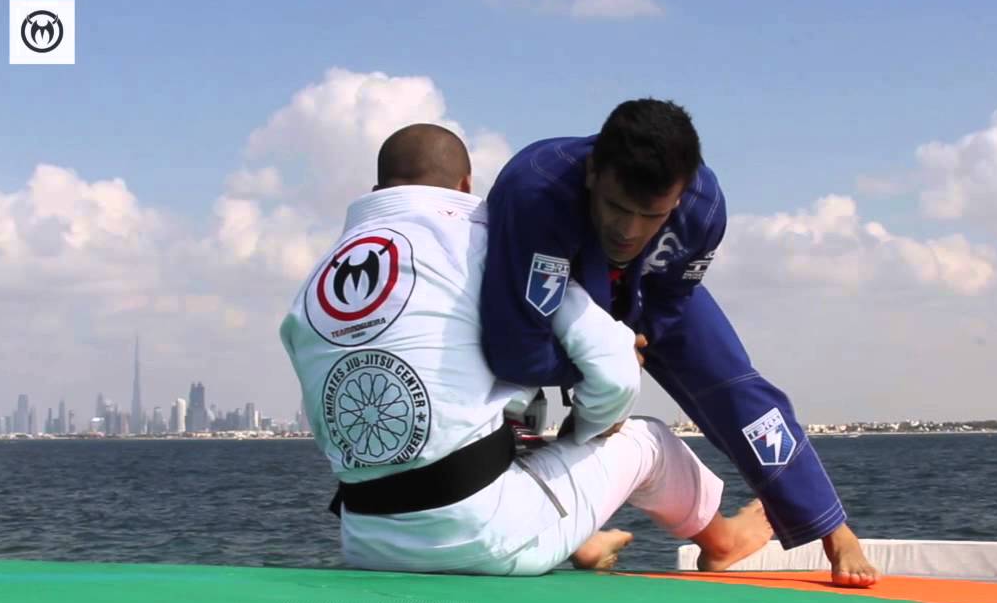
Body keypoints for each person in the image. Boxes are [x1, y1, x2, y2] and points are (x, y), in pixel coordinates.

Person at [279, 123, 772, 575]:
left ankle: (578, 537)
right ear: (466, 186)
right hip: (483, 538)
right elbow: (617, 370)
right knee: (648, 442)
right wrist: (592, 432)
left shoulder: (312, 284)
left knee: (499, 403)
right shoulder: (490, 244)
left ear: (376, 191)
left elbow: (323, 418)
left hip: (366, 541)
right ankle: (724, 540)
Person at [480, 100, 880, 586]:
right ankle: (576, 528)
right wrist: (598, 363)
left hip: (646, 288)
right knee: (505, 388)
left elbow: (674, 293)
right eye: (616, 207)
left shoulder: (704, 206)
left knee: (737, 388)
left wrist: (642, 336)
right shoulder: (534, 189)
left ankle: (832, 530)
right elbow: (514, 345)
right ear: (592, 173)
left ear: (679, 195)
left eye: (649, 215)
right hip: (559, 279)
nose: (628, 230)